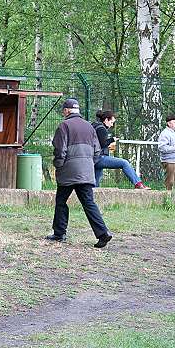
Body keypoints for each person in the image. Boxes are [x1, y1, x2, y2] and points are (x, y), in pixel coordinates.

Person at [46, 98, 113, 248]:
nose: (63, 112)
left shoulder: (64, 126)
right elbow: (98, 151)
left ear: (67, 110)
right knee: (89, 203)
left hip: (68, 172)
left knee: (61, 201)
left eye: (64, 110)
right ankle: (103, 233)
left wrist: (59, 165)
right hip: (86, 172)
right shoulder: (90, 127)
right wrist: (89, 164)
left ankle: (59, 233)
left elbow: (60, 150)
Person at [91, 110, 150, 189]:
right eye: (111, 122)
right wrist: (112, 140)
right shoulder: (102, 129)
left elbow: (97, 143)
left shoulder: (94, 126)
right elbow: (103, 144)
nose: (112, 125)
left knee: (95, 185)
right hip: (99, 157)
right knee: (124, 163)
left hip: (92, 157)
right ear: (106, 120)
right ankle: (138, 184)